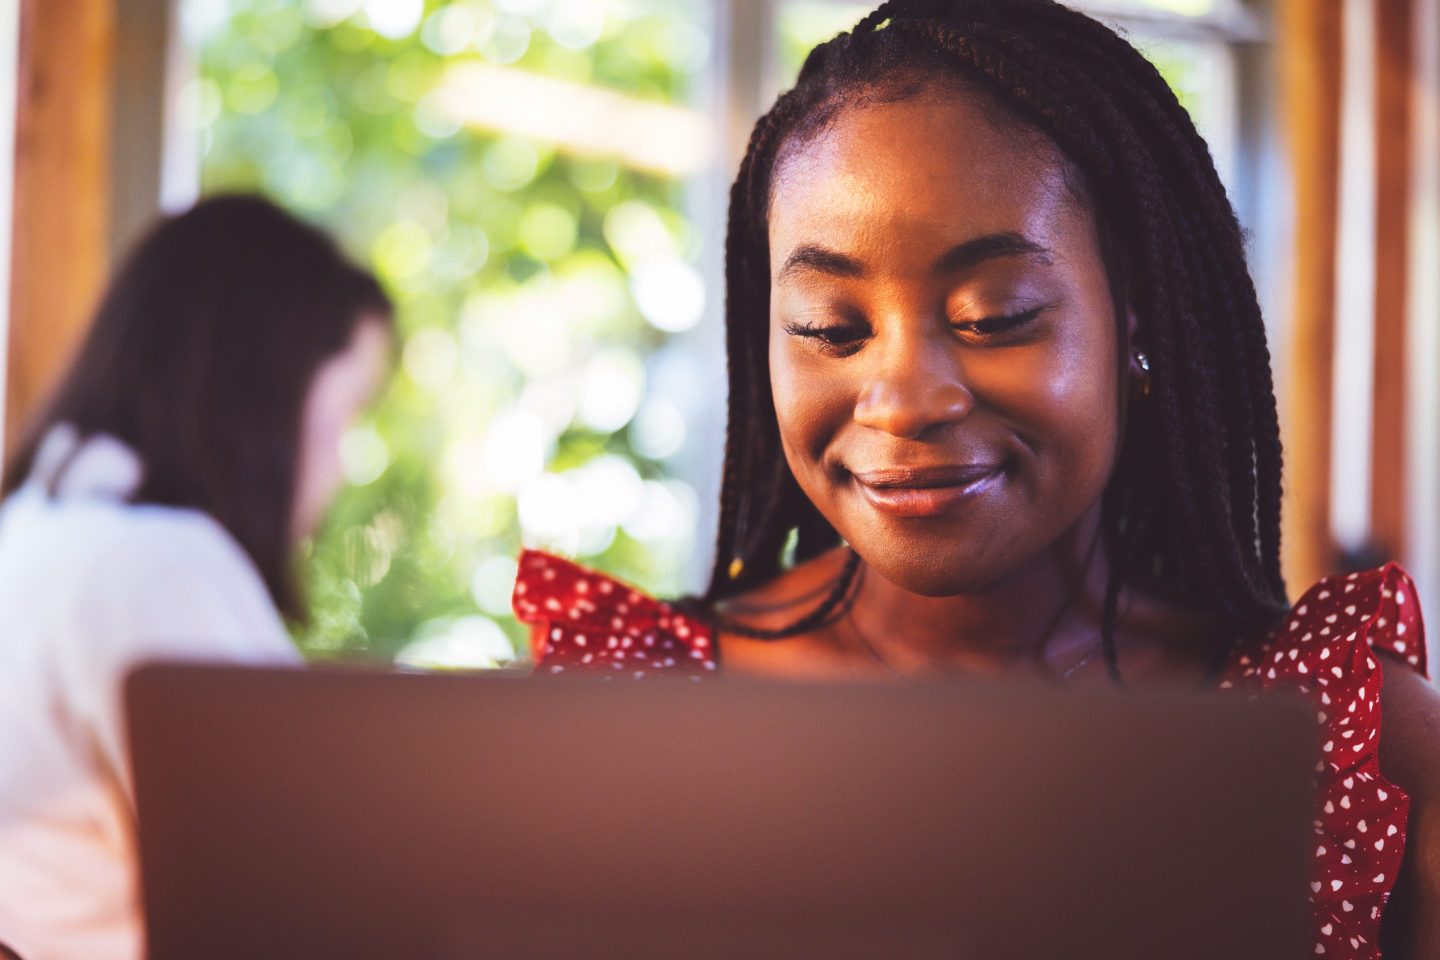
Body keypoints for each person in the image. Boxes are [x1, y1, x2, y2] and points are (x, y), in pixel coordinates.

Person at [513, 1, 1440, 955]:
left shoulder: (1347, 740)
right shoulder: (613, 718)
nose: (904, 398)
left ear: (1139, 322)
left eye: (995, 315)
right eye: (832, 326)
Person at [0, 195, 393, 960]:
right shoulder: (154, 565)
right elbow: (298, 901)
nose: (340, 467)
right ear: (265, 394)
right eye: (345, 414)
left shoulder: (35, 526)